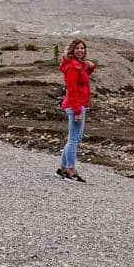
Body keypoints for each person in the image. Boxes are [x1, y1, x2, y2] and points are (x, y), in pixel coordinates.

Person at [57, 38, 95, 182]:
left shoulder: (78, 65)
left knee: (72, 139)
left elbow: (83, 79)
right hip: (75, 105)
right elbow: (72, 90)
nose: (80, 50)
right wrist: (78, 111)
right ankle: (71, 172)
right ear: (72, 50)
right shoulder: (73, 66)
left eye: (82, 48)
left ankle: (62, 169)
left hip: (76, 104)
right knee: (74, 140)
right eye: (77, 48)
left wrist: (90, 67)